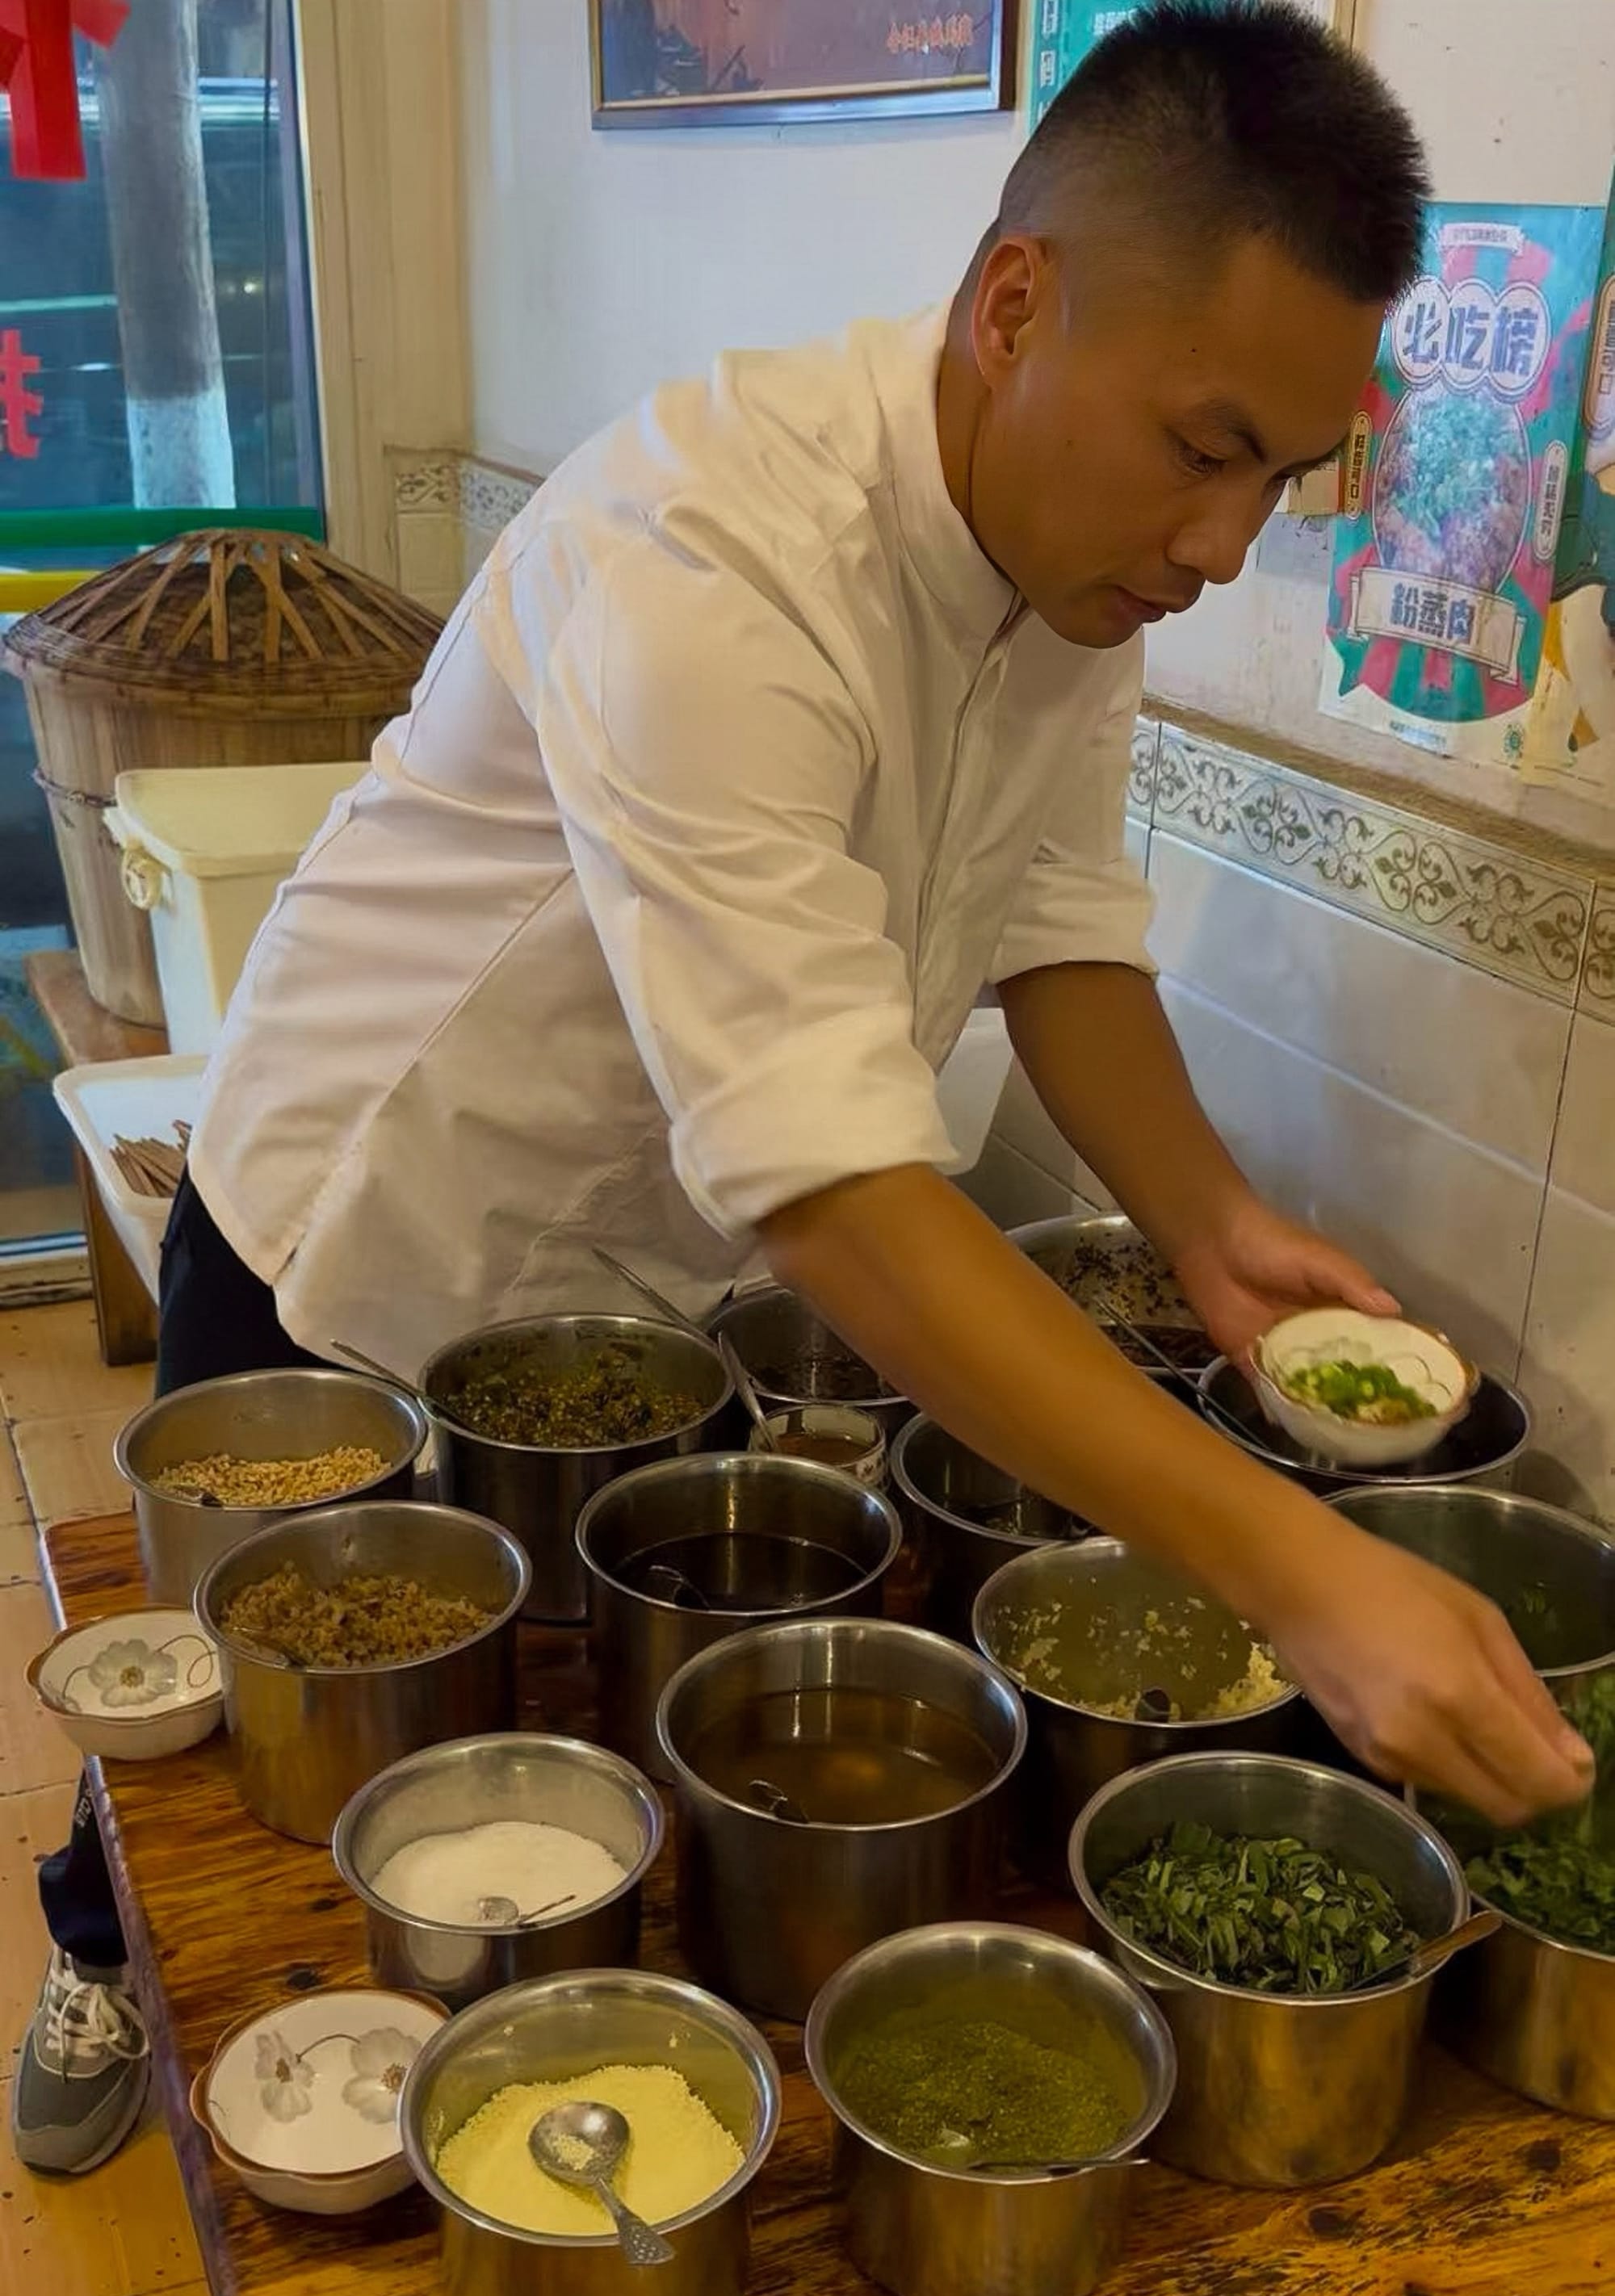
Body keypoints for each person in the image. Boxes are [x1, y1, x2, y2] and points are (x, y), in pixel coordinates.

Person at [15, 0, 1593, 2177]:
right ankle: (87, 1938)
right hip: (355, 1251)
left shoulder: (1069, 568)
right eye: (1206, 444)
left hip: (623, 1298)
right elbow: (837, 1195)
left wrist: (1220, 1235)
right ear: (1017, 304)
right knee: (255, 1807)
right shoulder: (712, 554)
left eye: (1283, 476)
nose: (1225, 545)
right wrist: (1297, 1573)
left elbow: (1053, 919)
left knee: (530, 1803)